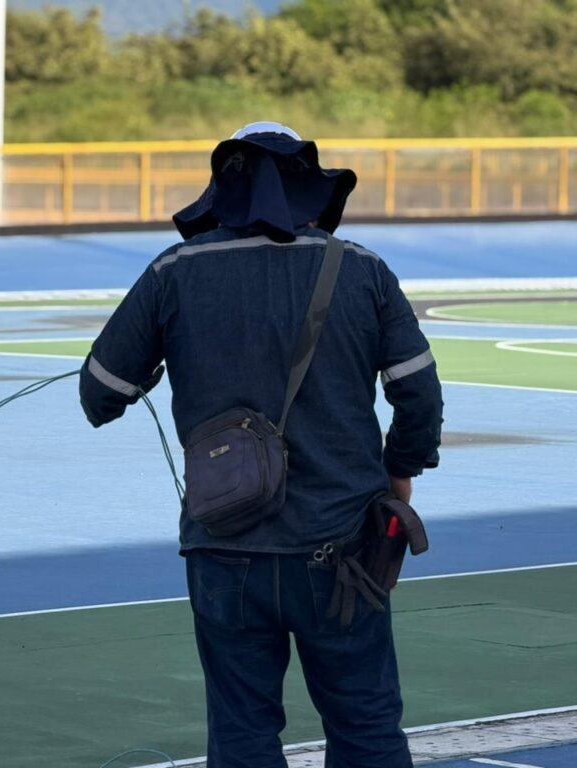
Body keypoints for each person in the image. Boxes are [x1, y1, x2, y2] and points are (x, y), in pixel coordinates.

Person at [79, 122, 443, 768]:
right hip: (343, 552)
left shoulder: (173, 272)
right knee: (365, 727)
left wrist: (158, 363)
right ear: (311, 189)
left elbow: (100, 392)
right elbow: (419, 396)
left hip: (224, 552)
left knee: (242, 734)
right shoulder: (362, 270)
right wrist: (401, 470)